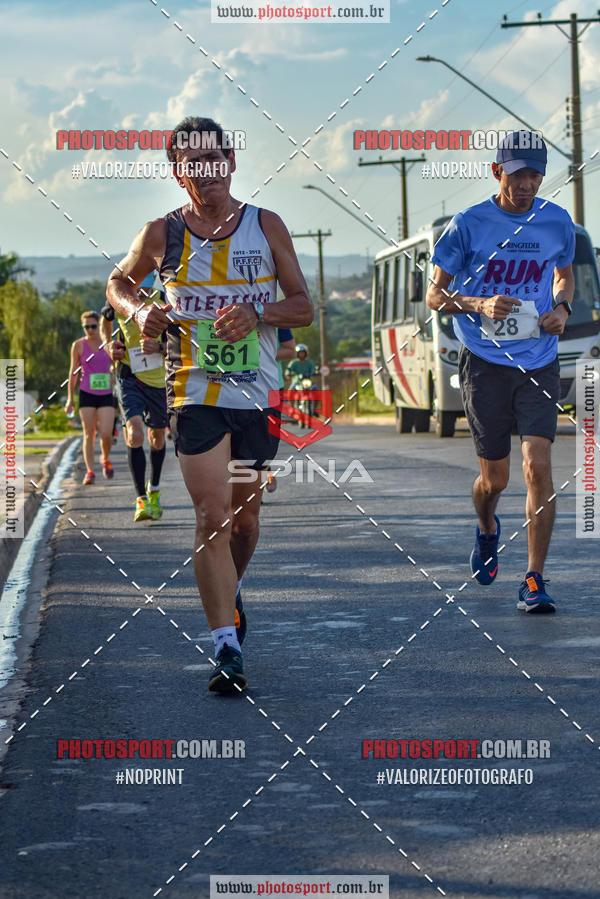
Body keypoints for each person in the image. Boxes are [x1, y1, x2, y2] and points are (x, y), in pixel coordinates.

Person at [106, 115, 313, 691]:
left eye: (215, 159)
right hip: (193, 392)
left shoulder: (266, 226)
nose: (207, 171)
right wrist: (138, 310)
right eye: (193, 162)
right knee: (209, 515)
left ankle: (231, 593)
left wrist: (260, 313)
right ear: (179, 172)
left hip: (257, 395)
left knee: (245, 522)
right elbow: (117, 283)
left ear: (231, 163)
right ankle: (225, 647)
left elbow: (303, 306)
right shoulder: (160, 234)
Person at [426, 131, 575, 614]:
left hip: (538, 358)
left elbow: (564, 273)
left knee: (538, 467)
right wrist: (477, 303)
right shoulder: (468, 224)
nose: (528, 183)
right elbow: (434, 296)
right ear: (497, 172)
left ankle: (533, 578)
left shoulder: (556, 221)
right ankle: (487, 527)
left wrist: (562, 307)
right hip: (485, 362)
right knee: (496, 480)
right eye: (518, 175)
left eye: (535, 174)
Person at [101, 273, 169, 522]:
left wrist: (160, 348)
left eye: (146, 291)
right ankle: (141, 499)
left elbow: (183, 340)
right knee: (135, 432)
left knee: (157, 437)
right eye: (138, 290)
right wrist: (109, 345)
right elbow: (106, 321)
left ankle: (155, 489)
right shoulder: (120, 299)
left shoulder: (164, 300)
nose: (140, 296)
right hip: (129, 375)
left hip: (159, 380)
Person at [65, 311, 115, 485]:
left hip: (106, 393)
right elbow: (73, 372)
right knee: (89, 433)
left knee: (106, 433)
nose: (90, 330)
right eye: (86, 327)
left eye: (93, 326)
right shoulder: (78, 345)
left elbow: (115, 364)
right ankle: (90, 471)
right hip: (86, 392)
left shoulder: (106, 343)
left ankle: (105, 458)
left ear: (99, 325)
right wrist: (70, 398)